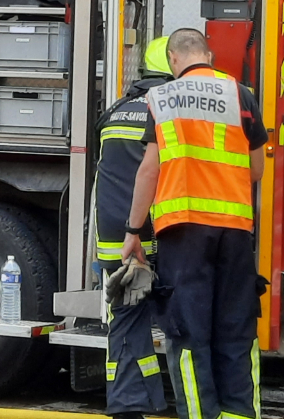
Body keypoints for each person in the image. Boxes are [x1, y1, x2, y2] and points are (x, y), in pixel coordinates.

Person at [122, 27, 269, 419]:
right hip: (236, 231)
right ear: (209, 55)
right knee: (236, 330)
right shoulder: (241, 94)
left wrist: (134, 232)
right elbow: (256, 170)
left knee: (188, 334)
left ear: (173, 59)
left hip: (183, 231)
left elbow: (149, 170)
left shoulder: (162, 98)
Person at [96, 37, 171, 419]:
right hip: (148, 237)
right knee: (176, 322)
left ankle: (133, 405)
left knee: (127, 320)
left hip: (113, 241)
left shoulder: (117, 110)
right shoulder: (167, 113)